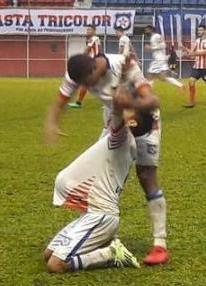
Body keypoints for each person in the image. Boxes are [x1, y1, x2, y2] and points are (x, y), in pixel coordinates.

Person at [46, 53, 170, 266]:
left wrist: (129, 103)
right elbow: (60, 100)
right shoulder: (77, 72)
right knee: (102, 171)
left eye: (87, 82)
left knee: (146, 175)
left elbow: (153, 100)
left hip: (145, 120)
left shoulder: (124, 65)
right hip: (114, 118)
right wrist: (53, 124)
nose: (85, 87)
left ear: (94, 69)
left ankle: (160, 244)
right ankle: (99, 233)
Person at [43, 89, 144, 273]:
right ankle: (104, 243)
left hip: (101, 215)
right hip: (92, 213)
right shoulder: (113, 137)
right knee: (48, 254)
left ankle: (111, 254)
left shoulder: (121, 138)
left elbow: (117, 111)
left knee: (55, 265)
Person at [183, 24, 206, 109]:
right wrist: (185, 50)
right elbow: (191, 52)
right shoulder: (197, 41)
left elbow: (205, 52)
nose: (199, 32)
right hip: (197, 66)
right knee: (191, 81)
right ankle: (192, 102)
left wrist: (192, 53)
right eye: (198, 30)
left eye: (200, 30)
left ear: (205, 31)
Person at [67, 25, 100, 109]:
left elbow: (87, 50)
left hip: (93, 63)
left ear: (94, 31)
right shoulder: (94, 39)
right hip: (94, 62)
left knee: (85, 82)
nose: (88, 31)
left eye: (89, 30)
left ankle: (78, 103)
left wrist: (81, 59)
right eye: (87, 30)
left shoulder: (94, 38)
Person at [144, 25, 183, 89]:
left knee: (150, 75)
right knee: (163, 77)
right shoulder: (153, 37)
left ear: (151, 30)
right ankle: (180, 85)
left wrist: (151, 48)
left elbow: (164, 45)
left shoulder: (156, 36)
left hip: (159, 59)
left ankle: (147, 91)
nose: (145, 32)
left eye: (146, 30)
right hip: (159, 58)